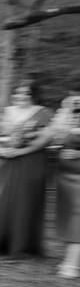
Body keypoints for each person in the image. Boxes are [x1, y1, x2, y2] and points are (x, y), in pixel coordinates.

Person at [0, 81, 52, 256]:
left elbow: (45, 138)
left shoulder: (43, 113)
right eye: (17, 93)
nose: (21, 96)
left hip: (30, 162)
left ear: (33, 95)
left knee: (24, 200)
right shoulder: (4, 111)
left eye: (26, 93)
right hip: (3, 161)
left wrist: (22, 150)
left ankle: (20, 243)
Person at [46, 81, 80, 277]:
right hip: (65, 176)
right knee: (68, 216)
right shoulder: (67, 112)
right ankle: (70, 258)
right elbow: (57, 137)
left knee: (77, 216)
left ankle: (71, 264)